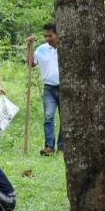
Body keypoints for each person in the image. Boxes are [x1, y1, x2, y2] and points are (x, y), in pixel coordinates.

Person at [27, 23, 61, 156]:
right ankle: (49, 146)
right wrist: (29, 47)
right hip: (49, 88)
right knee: (48, 116)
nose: (47, 38)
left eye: (50, 36)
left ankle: (62, 147)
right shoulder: (41, 49)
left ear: (57, 34)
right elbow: (30, 64)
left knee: (65, 118)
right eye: (45, 36)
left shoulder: (66, 48)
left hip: (65, 88)